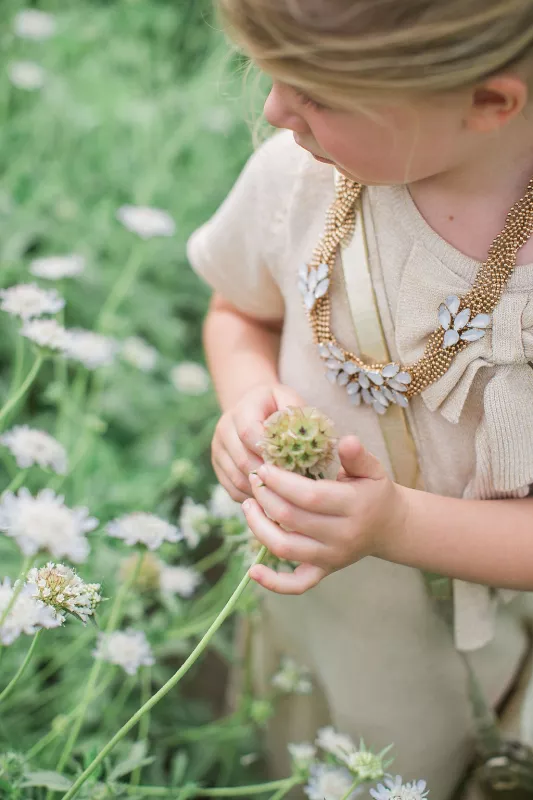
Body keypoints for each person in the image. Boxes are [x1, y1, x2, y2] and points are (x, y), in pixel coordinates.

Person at [186, 0, 533, 795]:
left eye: (318, 96)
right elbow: (237, 309)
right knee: (297, 740)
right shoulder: (298, 176)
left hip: (463, 660)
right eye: (272, 78)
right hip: (314, 612)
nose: (274, 110)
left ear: (489, 100)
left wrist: (398, 525)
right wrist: (246, 399)